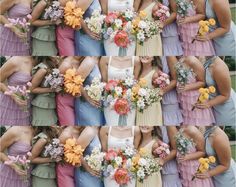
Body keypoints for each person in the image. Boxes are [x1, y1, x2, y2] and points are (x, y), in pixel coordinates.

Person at [195, 56, 236, 126]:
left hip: (224, 109)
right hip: (211, 107)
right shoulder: (202, 59)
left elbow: (225, 95)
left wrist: (208, 104)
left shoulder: (219, 67)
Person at [100, 56, 141, 126]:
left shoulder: (136, 60)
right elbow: (104, 82)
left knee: (128, 125)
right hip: (111, 102)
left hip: (129, 102)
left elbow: (135, 83)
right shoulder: (105, 59)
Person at [176, 56, 215, 126]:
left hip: (195, 100)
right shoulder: (178, 59)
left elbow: (203, 82)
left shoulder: (192, 60)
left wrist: (187, 87)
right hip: (184, 101)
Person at [0, 56, 36, 126]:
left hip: (29, 105)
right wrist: (14, 96)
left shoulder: (41, 60)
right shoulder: (15, 61)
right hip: (10, 105)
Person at [153, 56, 183, 126]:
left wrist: (162, 91)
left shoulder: (169, 57)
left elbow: (176, 79)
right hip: (152, 103)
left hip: (168, 99)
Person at [31, 57, 61, 126]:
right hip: (42, 105)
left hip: (51, 104)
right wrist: (52, 89)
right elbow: (31, 89)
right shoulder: (42, 69)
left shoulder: (55, 66)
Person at [75, 57, 105, 126]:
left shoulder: (102, 60)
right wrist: (88, 99)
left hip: (97, 106)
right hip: (86, 105)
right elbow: (76, 82)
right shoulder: (89, 61)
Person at [56, 57, 84, 125]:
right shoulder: (66, 65)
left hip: (79, 103)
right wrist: (71, 88)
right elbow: (55, 86)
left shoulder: (84, 62)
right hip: (65, 103)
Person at [136, 56, 162, 126]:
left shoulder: (154, 74)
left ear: (153, 58)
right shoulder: (137, 71)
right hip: (139, 108)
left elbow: (157, 93)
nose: (145, 55)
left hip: (150, 109)